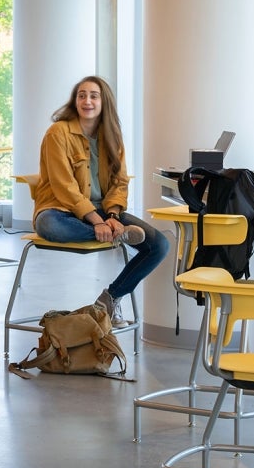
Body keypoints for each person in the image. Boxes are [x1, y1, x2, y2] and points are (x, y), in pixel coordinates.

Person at [32, 75, 168, 327]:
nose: (87, 101)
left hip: (105, 211)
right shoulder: (57, 133)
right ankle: (118, 235)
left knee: (159, 245)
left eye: (93, 96)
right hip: (60, 208)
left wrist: (113, 217)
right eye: (81, 95)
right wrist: (98, 223)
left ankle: (110, 298)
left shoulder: (112, 136)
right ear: (75, 101)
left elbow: (120, 182)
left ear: (104, 102)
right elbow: (64, 187)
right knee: (48, 226)